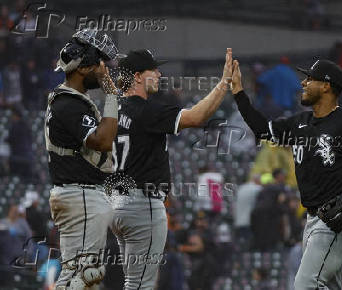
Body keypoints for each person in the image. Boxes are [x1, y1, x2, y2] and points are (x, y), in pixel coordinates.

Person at [231, 58, 342, 289]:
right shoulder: (300, 123)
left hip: (339, 218)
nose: (303, 83)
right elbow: (263, 130)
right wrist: (238, 93)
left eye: (309, 79)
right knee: (328, 284)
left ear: (326, 86)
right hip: (314, 218)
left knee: (305, 284)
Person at [110, 48, 233, 289]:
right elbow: (197, 117)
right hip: (142, 203)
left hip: (118, 204)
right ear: (136, 76)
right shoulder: (146, 109)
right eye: (152, 69)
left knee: (132, 281)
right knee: (141, 284)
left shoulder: (115, 108)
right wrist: (224, 83)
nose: (158, 73)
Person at [44, 28, 119, 289]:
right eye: (99, 63)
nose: (103, 69)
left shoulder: (66, 100)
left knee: (76, 275)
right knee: (86, 276)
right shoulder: (69, 103)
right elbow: (103, 140)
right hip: (82, 196)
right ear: (84, 67)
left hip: (76, 195)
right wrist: (111, 94)